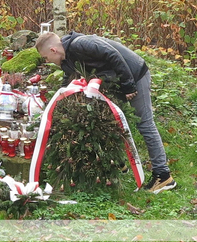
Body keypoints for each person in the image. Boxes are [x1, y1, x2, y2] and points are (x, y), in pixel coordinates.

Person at [35, 30, 176, 194]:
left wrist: (129, 84)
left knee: (144, 124)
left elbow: (112, 54)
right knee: (107, 118)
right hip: (116, 80)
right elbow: (69, 81)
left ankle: (163, 175)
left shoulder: (80, 44)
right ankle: (118, 164)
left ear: (53, 50)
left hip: (134, 74)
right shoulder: (67, 59)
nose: (47, 61)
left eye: (46, 58)